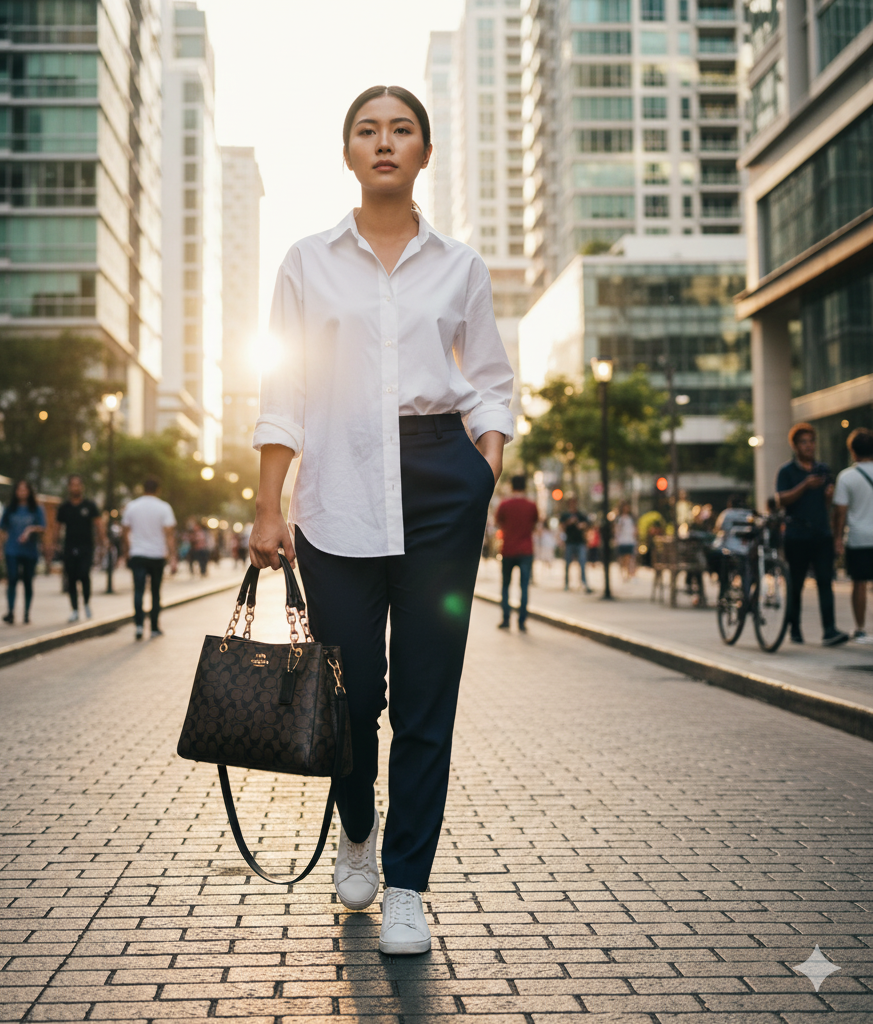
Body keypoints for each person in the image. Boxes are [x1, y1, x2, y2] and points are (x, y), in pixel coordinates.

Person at [249, 85, 512, 956]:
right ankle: (355, 827)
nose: (385, 142)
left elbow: (489, 380)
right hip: (338, 489)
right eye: (369, 130)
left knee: (428, 700)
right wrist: (266, 503)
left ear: (425, 153)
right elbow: (284, 388)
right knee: (353, 694)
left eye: (402, 130)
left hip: (441, 480)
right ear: (349, 152)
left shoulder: (460, 266)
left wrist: (486, 463)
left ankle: (407, 885)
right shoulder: (306, 261)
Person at [775, 422, 847, 646]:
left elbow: (828, 506)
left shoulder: (823, 470)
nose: (809, 446)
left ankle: (829, 629)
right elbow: (781, 500)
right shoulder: (787, 471)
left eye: (811, 441)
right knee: (795, 583)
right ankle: (794, 628)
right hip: (796, 535)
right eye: (804, 442)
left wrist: (828, 495)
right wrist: (805, 485)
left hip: (821, 534)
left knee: (825, 581)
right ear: (795, 446)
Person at [121, 478, 177, 640]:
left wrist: (126, 551)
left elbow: (125, 531)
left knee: (138, 590)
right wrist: (173, 556)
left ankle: (139, 625)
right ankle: (153, 627)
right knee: (155, 592)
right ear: (157, 490)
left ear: (142, 488)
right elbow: (169, 534)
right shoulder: (164, 507)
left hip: (137, 554)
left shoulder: (132, 506)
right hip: (157, 555)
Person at [832, 428, 873, 643]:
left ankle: (861, 629)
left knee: (859, 583)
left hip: (858, 537)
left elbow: (840, 512)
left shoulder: (847, 477)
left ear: (852, 451)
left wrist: (837, 538)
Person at [54, 474, 103, 623]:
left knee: (84, 574)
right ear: (69, 487)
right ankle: (75, 609)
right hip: (69, 547)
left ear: (82, 487)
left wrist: (103, 542)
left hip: (86, 547)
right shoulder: (64, 507)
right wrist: (54, 543)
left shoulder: (90, 505)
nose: (75, 487)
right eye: (72, 485)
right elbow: (57, 527)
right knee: (71, 578)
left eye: (78, 485)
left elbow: (98, 525)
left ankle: (87, 603)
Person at [0, 480, 45, 624]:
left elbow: (43, 528)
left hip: (29, 551)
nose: (22, 492)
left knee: (28, 582)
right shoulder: (10, 508)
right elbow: (1, 528)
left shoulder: (36, 508)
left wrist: (31, 529)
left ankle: (26, 613)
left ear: (29, 492)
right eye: (19, 489)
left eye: (25, 490)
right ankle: (11, 612)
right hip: (12, 550)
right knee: (12, 579)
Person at [495, 474, 538, 632]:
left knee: (506, 585)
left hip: (508, 549)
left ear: (511, 486)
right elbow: (534, 524)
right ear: (524, 487)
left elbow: (498, 523)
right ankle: (522, 621)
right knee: (524, 586)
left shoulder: (504, 505)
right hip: (526, 550)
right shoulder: (531, 505)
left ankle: (506, 619)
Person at [561, 497, 592, 593]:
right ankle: (566, 583)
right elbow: (562, 527)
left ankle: (584, 583)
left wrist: (582, 525)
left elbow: (588, 525)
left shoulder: (581, 515)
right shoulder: (565, 515)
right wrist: (569, 522)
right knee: (567, 564)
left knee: (582, 563)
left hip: (580, 541)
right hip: (570, 542)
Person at [614, 501, 637, 580]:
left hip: (630, 540)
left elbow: (635, 528)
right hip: (622, 540)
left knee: (628, 557)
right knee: (622, 558)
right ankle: (623, 573)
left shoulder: (631, 518)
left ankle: (628, 573)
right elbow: (616, 529)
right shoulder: (619, 518)